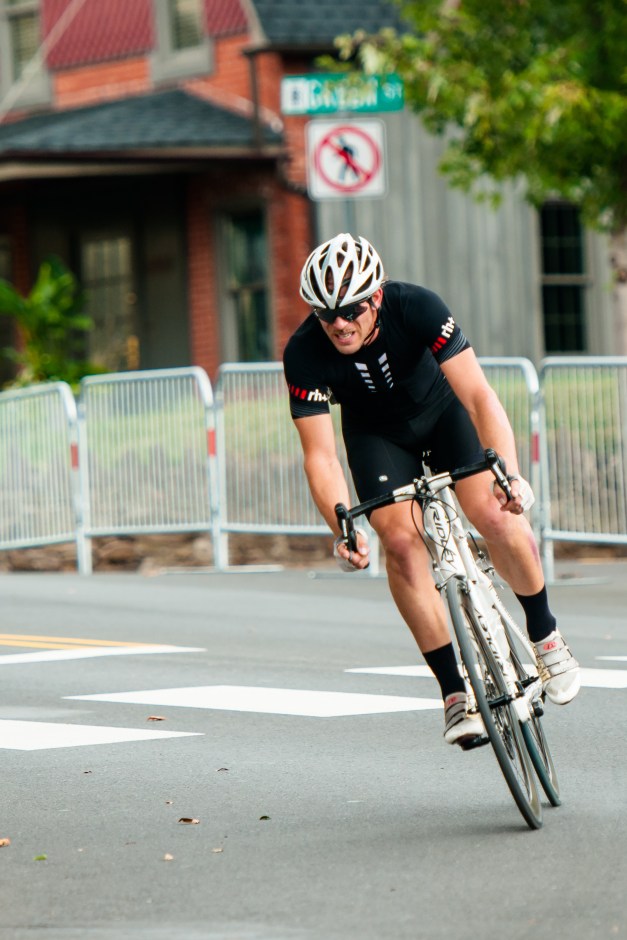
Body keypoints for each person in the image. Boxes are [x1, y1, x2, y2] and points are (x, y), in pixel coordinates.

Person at [283, 232, 580, 746]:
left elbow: (479, 397)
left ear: (375, 298)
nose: (338, 324)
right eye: (324, 313)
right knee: (399, 544)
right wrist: (342, 528)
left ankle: (545, 632)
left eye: (350, 309)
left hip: (442, 415)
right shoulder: (305, 353)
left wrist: (507, 474)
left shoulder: (417, 307)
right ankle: (454, 693)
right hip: (377, 436)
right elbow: (321, 454)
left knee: (492, 511)